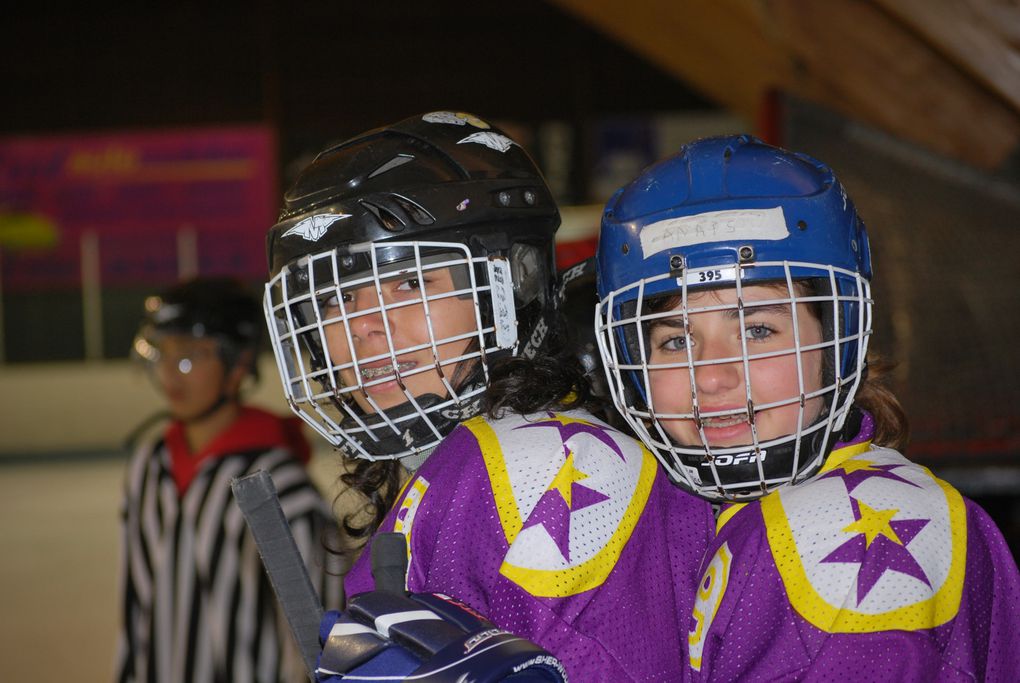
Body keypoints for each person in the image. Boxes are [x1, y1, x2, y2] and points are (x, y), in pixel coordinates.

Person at [262, 112, 716, 680]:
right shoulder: (460, 463)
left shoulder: (542, 466)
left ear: (514, 286)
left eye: (409, 282)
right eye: (334, 300)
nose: (363, 326)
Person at [593, 134, 1020, 681]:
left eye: (757, 330)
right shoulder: (701, 509)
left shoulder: (849, 533)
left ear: (837, 342)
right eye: (676, 341)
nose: (713, 376)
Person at [116, 276, 343, 683]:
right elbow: (135, 600)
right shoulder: (149, 464)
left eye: (189, 357)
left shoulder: (279, 482)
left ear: (238, 366)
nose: (171, 373)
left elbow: (325, 619)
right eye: (163, 356)